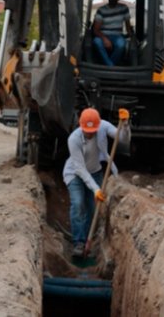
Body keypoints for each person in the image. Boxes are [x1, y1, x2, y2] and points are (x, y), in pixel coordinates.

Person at [63, 106, 130, 258]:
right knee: (78, 203)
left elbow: (123, 139)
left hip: (95, 172)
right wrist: (95, 189)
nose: (90, 133)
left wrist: (125, 124)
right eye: (87, 131)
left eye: (93, 131)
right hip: (75, 174)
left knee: (93, 209)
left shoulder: (103, 126)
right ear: (81, 126)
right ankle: (78, 242)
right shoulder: (73, 139)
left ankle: (89, 239)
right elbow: (80, 168)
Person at [92, 0, 134, 66]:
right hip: (103, 35)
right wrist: (105, 39)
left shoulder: (124, 8)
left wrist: (132, 37)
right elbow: (96, 30)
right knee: (96, 42)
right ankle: (111, 67)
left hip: (117, 36)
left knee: (121, 44)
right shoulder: (101, 10)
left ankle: (108, 66)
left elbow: (128, 27)